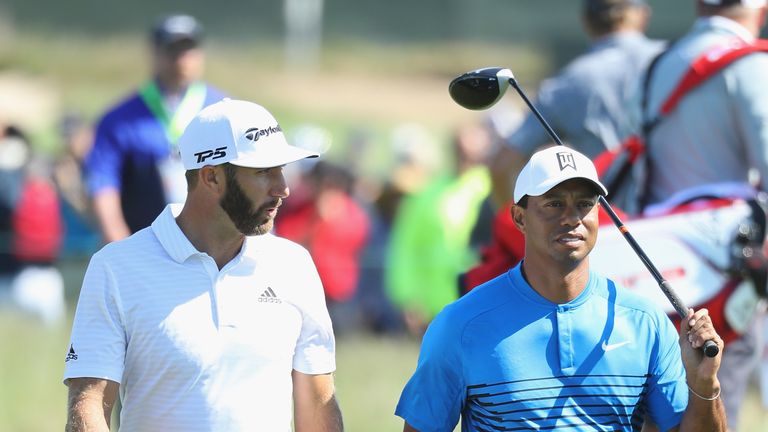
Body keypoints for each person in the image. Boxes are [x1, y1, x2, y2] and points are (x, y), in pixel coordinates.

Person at [395, 146, 727, 431]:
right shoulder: (461, 324)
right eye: (554, 204)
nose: (572, 218)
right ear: (519, 218)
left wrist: (704, 384)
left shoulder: (646, 322)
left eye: (585, 204)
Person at [63, 99, 344, 431]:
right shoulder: (116, 267)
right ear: (211, 177)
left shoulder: (294, 266)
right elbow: (89, 404)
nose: (282, 188)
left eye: (281, 170)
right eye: (263, 172)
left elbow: (318, 403)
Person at [636, 1, 768, 429]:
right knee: (715, 396)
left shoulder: (661, 61)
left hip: (657, 265)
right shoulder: (750, 64)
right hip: (727, 272)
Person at [490, 0, 663, 211]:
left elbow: (502, 165)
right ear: (642, 14)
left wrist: (518, 225)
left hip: (604, 228)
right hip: (680, 225)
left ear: (586, 22)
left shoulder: (567, 83)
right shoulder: (677, 63)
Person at [85, 14, 226, 243]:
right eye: (173, 50)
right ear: (156, 53)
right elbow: (103, 186)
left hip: (214, 250)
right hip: (148, 247)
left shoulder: (224, 110)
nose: (181, 59)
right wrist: (121, 248)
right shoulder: (120, 119)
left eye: (188, 49)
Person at [386, 122, 492, 336]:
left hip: (481, 302)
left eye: (472, 154)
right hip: (435, 306)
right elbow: (406, 247)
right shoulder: (428, 193)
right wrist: (408, 296)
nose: (465, 159)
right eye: (460, 151)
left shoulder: (493, 191)